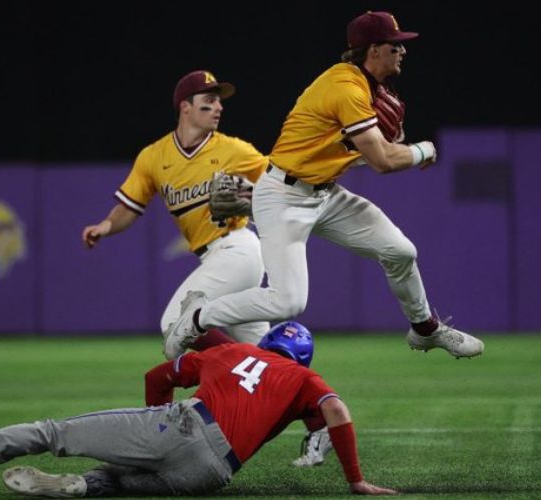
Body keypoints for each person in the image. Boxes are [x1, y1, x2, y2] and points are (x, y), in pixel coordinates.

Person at [163, 11, 485, 467]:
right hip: (283, 197)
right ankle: (198, 315)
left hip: (323, 194)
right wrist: (422, 150)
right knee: (288, 300)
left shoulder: (371, 90)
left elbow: (357, 153)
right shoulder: (345, 87)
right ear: (372, 50)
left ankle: (425, 329)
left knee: (400, 251)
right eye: (394, 44)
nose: (402, 50)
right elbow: (384, 162)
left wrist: (386, 146)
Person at [0, 321, 398, 497]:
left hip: (180, 427)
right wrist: (355, 480)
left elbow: (157, 377)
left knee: (52, 432)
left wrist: (155, 428)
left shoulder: (232, 351)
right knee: (115, 481)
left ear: (266, 342)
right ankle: (83, 486)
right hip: (212, 475)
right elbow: (334, 414)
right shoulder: (305, 380)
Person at [81, 70, 270, 355]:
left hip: (238, 249)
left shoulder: (235, 150)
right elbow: (131, 205)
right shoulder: (154, 157)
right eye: (209, 100)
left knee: (175, 323)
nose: (219, 107)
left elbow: (279, 183)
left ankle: (237, 366)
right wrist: (106, 226)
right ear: (185, 106)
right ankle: (287, 379)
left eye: (219, 101)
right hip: (216, 257)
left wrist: (254, 198)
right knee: (261, 352)